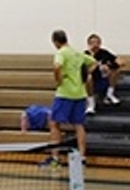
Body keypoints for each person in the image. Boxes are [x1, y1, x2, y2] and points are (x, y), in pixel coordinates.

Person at [41, 29, 96, 168]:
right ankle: (82, 157)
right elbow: (94, 62)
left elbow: (56, 66)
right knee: (79, 125)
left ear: (55, 42)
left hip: (65, 93)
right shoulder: (77, 53)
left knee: (54, 124)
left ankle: (55, 158)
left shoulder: (61, 53)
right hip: (80, 93)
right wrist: (84, 76)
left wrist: (58, 80)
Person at [84, 33, 124, 114]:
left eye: (97, 42)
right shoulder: (85, 55)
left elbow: (121, 62)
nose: (95, 45)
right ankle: (91, 104)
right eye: (92, 43)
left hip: (104, 78)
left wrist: (109, 66)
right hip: (92, 80)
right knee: (88, 78)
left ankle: (110, 94)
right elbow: (84, 71)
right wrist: (94, 65)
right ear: (88, 44)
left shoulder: (104, 53)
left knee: (115, 70)